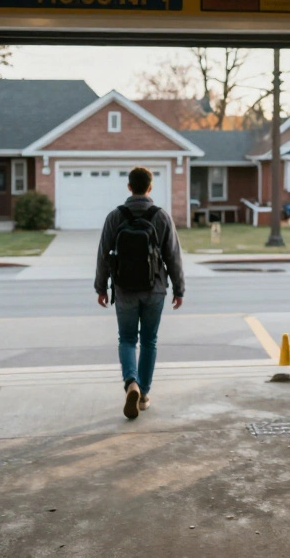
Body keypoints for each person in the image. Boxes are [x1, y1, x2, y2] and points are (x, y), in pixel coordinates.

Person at [95, 166, 185, 420]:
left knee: (126, 339)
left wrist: (100, 287)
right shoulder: (161, 216)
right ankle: (143, 393)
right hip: (155, 289)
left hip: (124, 290)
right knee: (148, 341)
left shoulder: (115, 217)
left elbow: (103, 255)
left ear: (129, 187)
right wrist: (179, 289)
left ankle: (131, 383)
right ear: (150, 187)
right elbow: (174, 257)